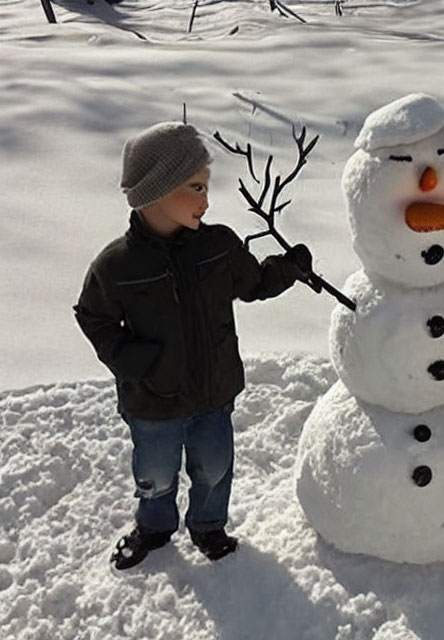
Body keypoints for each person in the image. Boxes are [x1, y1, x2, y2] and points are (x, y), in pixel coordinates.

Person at [74, 122, 320, 570]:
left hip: (213, 391)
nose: (206, 201)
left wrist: (291, 268)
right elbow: (93, 316)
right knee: (155, 474)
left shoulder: (218, 246)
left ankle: (208, 526)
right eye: (195, 187)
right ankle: (154, 526)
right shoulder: (118, 265)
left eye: (206, 188)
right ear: (156, 191)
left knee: (214, 466)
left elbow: (255, 283)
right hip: (153, 400)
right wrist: (135, 361)